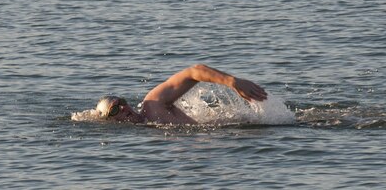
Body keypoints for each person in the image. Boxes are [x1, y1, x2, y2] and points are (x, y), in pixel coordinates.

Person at [95, 64, 268, 125]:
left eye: (122, 102)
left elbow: (194, 72)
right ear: (109, 121)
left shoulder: (152, 104)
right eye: (115, 110)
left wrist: (232, 82)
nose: (124, 107)